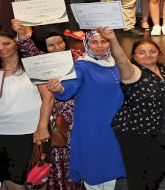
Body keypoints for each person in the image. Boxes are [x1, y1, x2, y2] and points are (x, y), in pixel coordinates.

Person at [46, 28, 130, 189]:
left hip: (115, 126)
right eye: (94, 42)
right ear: (86, 44)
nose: (100, 46)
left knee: (111, 170)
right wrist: (59, 89)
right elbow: (69, 87)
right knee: (94, 170)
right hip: (92, 128)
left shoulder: (117, 63)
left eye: (104, 41)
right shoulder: (81, 65)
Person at [0, 30, 53, 188]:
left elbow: (48, 98)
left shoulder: (32, 66)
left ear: (16, 43)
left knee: (38, 180)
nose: (1, 48)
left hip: (32, 133)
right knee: (11, 181)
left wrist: (42, 127)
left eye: (6, 43)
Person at [12, 20, 82, 190]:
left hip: (80, 115)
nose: (57, 47)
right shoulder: (41, 61)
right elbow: (28, 48)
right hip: (56, 118)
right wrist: (21, 32)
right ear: (43, 47)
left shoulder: (76, 55)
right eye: (51, 45)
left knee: (80, 157)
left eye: (60, 42)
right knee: (59, 159)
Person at [112, 39, 165, 189]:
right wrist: (112, 39)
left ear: (159, 53)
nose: (148, 55)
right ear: (133, 56)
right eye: (142, 52)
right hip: (134, 130)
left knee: (161, 166)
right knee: (139, 174)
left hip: (159, 129)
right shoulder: (131, 71)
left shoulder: (164, 69)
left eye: (152, 51)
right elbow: (121, 59)